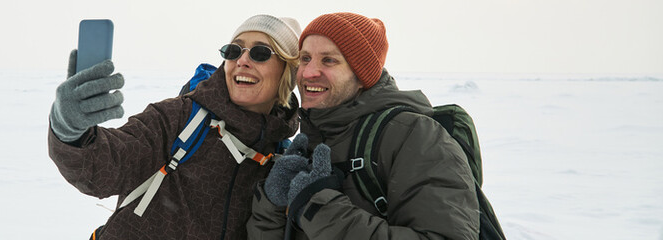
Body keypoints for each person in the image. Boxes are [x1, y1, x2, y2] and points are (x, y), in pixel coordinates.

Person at [48, 14, 302, 239]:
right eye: (234, 51)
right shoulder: (179, 118)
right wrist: (70, 129)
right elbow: (102, 169)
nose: (242, 60)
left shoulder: (281, 157)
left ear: (287, 73)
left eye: (260, 53)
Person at [246, 12, 479, 239]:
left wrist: (320, 208)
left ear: (361, 75)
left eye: (329, 60)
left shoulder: (415, 136)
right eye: (305, 58)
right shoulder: (312, 137)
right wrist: (272, 209)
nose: (308, 72)